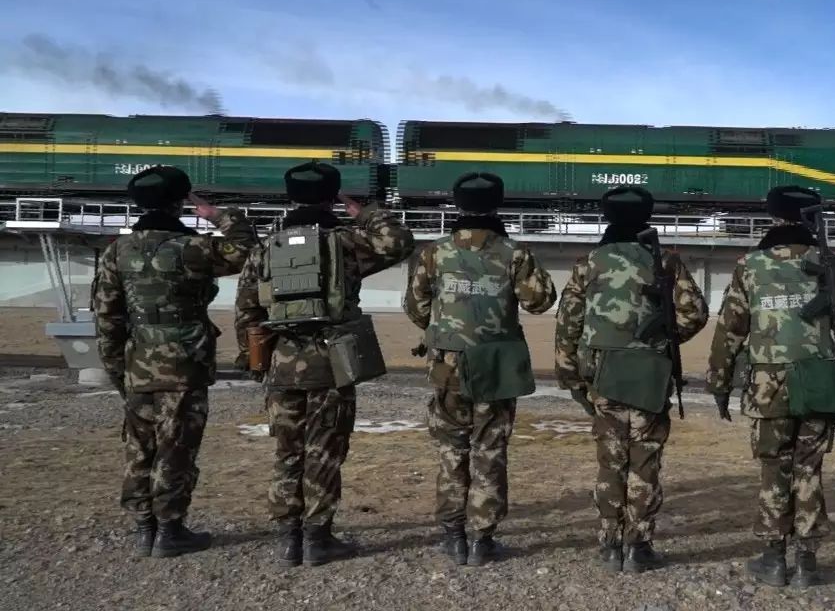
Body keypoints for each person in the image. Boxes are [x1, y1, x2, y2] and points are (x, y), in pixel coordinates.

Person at [235, 162, 414, 567]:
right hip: (333, 362)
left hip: (281, 362)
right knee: (325, 450)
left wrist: (255, 361)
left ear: (289, 196)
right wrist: (367, 213)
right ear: (333, 197)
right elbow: (399, 242)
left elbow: (247, 311)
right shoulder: (347, 244)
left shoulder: (265, 248)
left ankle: (288, 538)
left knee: (288, 449)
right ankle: (318, 538)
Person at [705, 185, 835, 587]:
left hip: (768, 384)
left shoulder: (750, 265)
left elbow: (731, 328)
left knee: (774, 468)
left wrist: (719, 382)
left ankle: (773, 558)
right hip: (818, 378)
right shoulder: (828, 261)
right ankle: (806, 563)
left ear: (774, 216)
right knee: (808, 469)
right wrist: (832, 280)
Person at [92, 165, 258, 558]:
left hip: (137, 364)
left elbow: (106, 318)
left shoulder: (117, 252)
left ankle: (144, 528)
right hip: (185, 364)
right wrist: (218, 215)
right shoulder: (192, 249)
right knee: (176, 446)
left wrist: (118, 371)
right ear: (179, 202)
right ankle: (170, 530)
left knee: (140, 447)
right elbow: (248, 250)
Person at [403, 172, 557, 566]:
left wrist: (445, 328)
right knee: (490, 450)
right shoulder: (514, 253)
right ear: (497, 203)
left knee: (451, 449)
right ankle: (482, 540)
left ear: (457, 204)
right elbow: (540, 301)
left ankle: (453, 535)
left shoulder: (435, 253)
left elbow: (415, 307)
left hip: (448, 365)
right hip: (495, 367)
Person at [554, 186, 708, 573]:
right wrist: (662, 339)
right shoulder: (665, 261)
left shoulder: (589, 263)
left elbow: (568, 324)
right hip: (649, 373)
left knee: (611, 461)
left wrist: (571, 377)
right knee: (645, 461)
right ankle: (638, 546)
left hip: (602, 373)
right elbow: (695, 314)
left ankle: (610, 545)